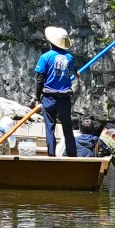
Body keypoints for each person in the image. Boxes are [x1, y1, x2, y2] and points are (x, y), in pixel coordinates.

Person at [34, 27, 80, 157]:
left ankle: (51, 154)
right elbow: (73, 69)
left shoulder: (45, 57)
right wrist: (76, 74)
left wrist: (37, 99)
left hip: (49, 97)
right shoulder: (70, 58)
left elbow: (39, 80)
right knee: (67, 126)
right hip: (64, 98)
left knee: (50, 127)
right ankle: (72, 154)